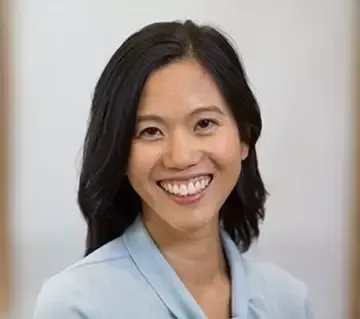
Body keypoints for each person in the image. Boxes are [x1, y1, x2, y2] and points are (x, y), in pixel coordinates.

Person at [33, 20, 313, 319]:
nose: (181, 157)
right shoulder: (76, 304)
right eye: (150, 131)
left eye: (204, 124)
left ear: (244, 136)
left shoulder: (289, 301)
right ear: (119, 153)